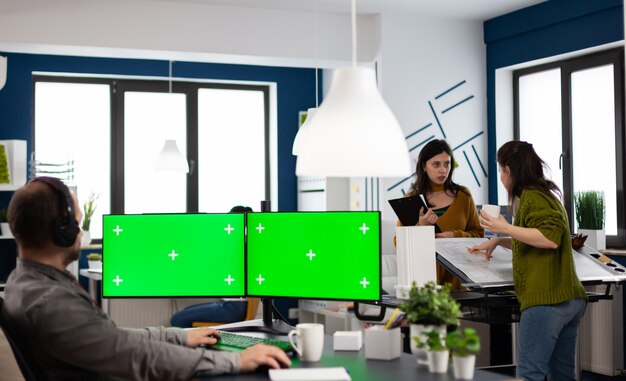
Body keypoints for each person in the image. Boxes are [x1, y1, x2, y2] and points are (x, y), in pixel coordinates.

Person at [2, 177, 290, 381]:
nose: (80, 232)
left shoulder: (26, 284)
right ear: (61, 231)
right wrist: (236, 360)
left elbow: (110, 338)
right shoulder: (53, 302)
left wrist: (179, 336)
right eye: (76, 223)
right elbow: (133, 356)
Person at [468, 141, 587, 381]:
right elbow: (536, 238)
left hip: (546, 301)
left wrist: (505, 226)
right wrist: (499, 240)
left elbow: (550, 239)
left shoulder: (532, 198)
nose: (501, 176)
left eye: (500, 171)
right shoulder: (545, 195)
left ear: (509, 170)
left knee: (528, 375)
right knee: (562, 375)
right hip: (568, 299)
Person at [396, 139, 483, 289]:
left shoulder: (463, 195)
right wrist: (420, 227)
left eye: (447, 164)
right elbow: (399, 243)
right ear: (424, 166)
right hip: (422, 286)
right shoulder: (411, 200)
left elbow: (478, 236)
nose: (443, 170)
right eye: (436, 164)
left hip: (459, 285)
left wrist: (454, 236)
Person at [170, 205, 252, 328]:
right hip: (229, 304)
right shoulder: (238, 244)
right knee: (185, 311)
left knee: (178, 319)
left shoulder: (239, 246)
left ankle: (194, 345)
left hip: (234, 308)